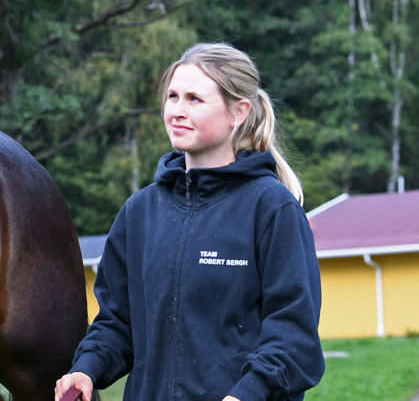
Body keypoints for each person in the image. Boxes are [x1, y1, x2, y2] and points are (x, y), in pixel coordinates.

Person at [55, 42, 324, 401]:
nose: (178, 111)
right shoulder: (139, 213)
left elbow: (293, 335)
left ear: (239, 112)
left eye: (195, 99)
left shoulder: (273, 209)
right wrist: (86, 369)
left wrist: (247, 394)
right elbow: (117, 323)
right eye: (173, 97)